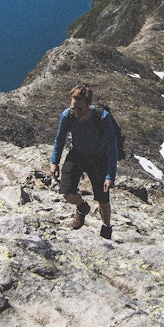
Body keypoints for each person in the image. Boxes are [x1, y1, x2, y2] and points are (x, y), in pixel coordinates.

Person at [50, 84, 118, 239]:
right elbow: (59, 139)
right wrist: (54, 162)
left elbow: (112, 148)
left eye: (80, 109)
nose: (76, 112)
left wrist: (110, 176)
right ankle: (82, 206)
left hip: (98, 159)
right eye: (73, 108)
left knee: (102, 199)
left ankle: (106, 229)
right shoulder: (68, 116)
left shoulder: (102, 117)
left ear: (89, 105)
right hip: (77, 155)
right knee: (66, 192)